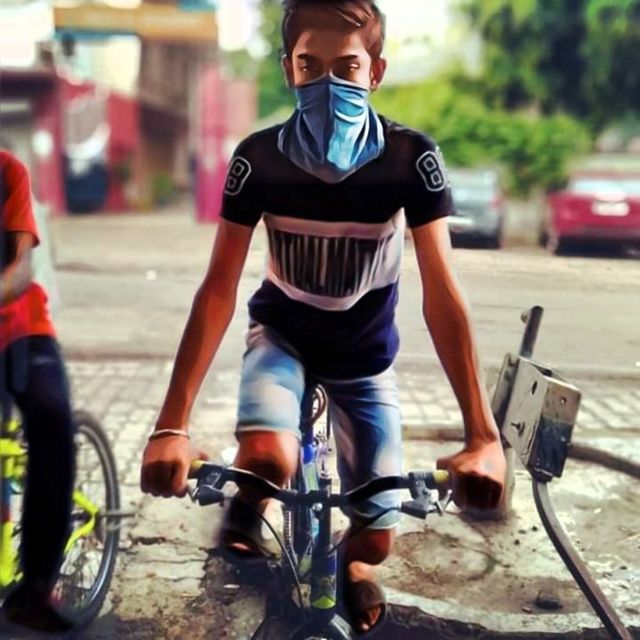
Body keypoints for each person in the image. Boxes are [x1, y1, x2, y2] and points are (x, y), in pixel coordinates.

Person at [140, 0, 506, 635]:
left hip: (364, 353)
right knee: (266, 457)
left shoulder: (409, 159)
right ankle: (250, 500)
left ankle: (352, 564)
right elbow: (218, 289)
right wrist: (171, 425)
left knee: (377, 536)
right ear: (289, 68)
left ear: (376, 72)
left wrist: (484, 438)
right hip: (281, 337)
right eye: (311, 65)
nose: (329, 83)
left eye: (349, 66)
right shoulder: (258, 159)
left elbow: (443, 293)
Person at [0, 144, 76, 634]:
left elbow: (20, 268)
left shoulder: (7, 170)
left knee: (50, 417)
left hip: (18, 327)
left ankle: (36, 587)